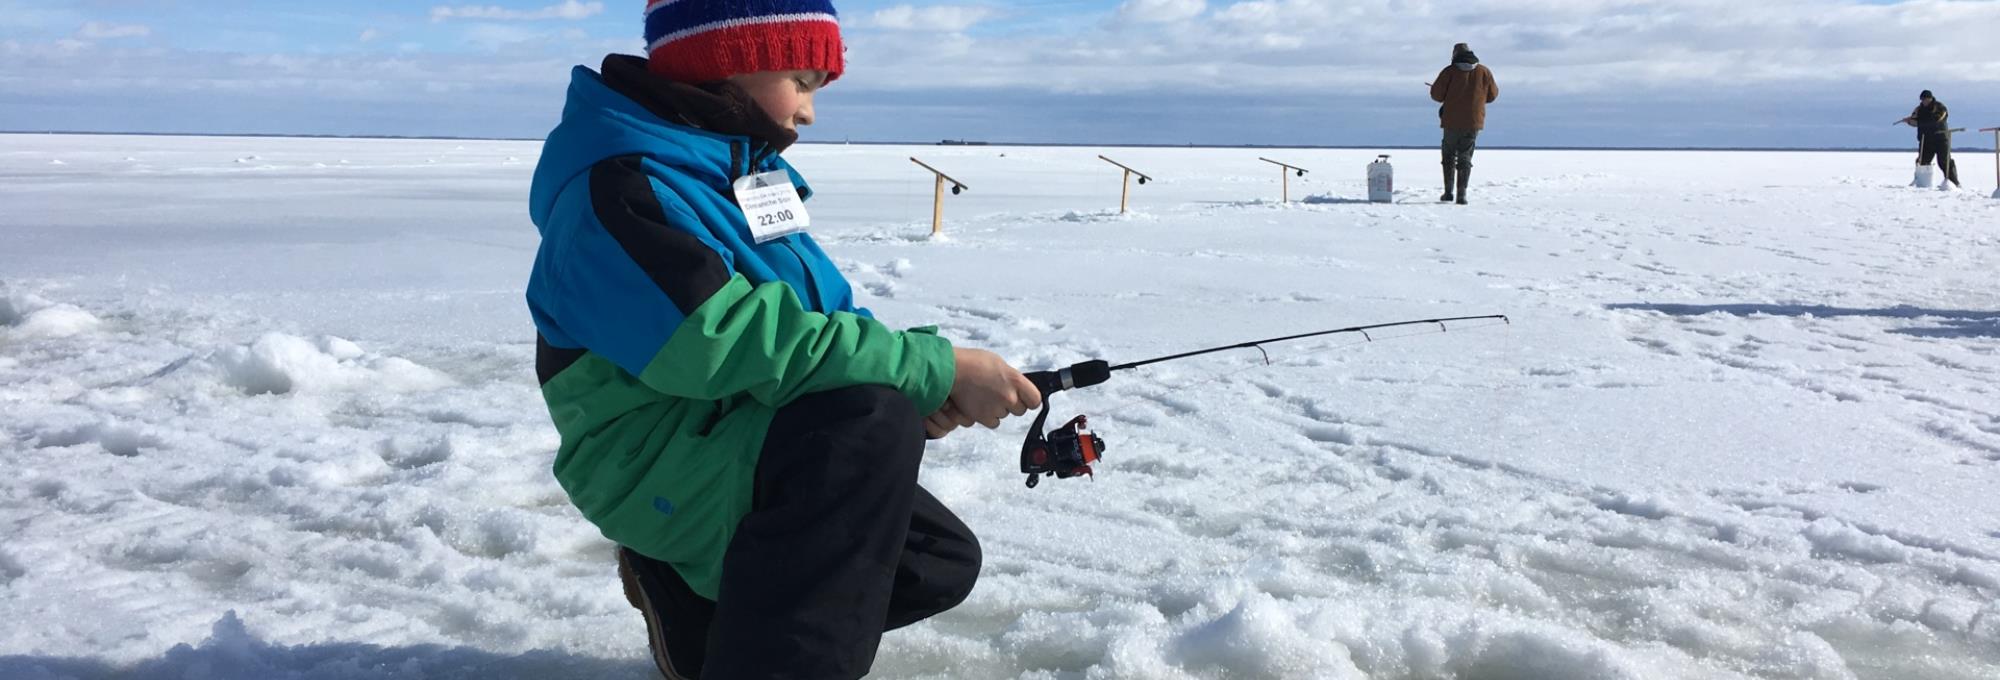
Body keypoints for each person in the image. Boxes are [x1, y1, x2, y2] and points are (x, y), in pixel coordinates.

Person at [522, 2, 1043, 678]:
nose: (810, 112)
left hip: (728, 433)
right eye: (801, 80)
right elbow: (715, 341)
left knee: (934, 560)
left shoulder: (743, 170)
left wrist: (910, 384)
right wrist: (927, 371)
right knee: (869, 422)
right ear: (727, 59)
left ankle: (689, 611)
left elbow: (817, 317)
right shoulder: (621, 186)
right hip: (649, 456)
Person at [1430, 43, 1499, 205]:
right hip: (1473, 121)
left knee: (1448, 156)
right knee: (1465, 157)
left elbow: (1436, 95)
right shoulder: (1484, 71)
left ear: (1454, 55)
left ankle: (1448, 193)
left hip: (1451, 121)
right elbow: (1492, 95)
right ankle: (1462, 195)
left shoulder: (1449, 71)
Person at [1900, 90, 1960, 189]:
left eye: (1926, 99)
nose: (1924, 101)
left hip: (1941, 139)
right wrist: (1909, 121)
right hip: (1926, 140)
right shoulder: (1918, 109)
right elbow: (1916, 122)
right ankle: (1921, 182)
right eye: (1922, 99)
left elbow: (1936, 120)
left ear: (1931, 98)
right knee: (1921, 161)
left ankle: (1953, 183)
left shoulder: (1940, 107)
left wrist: (1920, 121)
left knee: (1944, 162)